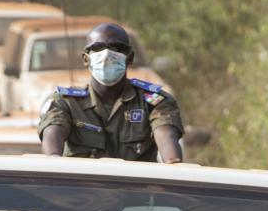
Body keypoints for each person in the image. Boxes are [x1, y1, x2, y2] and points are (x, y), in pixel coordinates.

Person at [38, 23, 183, 163]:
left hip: (134, 181)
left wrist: (172, 162)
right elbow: (52, 143)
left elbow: (167, 140)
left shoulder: (154, 102)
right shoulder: (66, 102)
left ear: (130, 58)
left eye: (116, 48)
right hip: (84, 181)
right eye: (98, 48)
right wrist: (53, 160)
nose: (107, 54)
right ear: (86, 59)